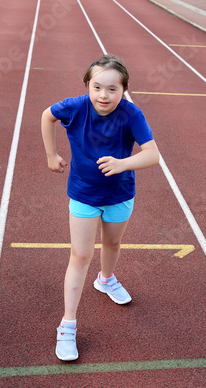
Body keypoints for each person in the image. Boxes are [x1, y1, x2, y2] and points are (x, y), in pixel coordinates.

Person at [41, 54, 159, 361]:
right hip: (83, 194)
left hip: (120, 194)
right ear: (87, 86)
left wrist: (123, 163)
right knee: (80, 255)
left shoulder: (131, 114)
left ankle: (105, 280)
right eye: (97, 87)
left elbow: (152, 155)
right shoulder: (76, 106)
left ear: (123, 90)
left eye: (112, 89)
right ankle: (67, 325)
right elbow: (47, 115)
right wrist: (51, 155)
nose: (103, 95)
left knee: (113, 242)